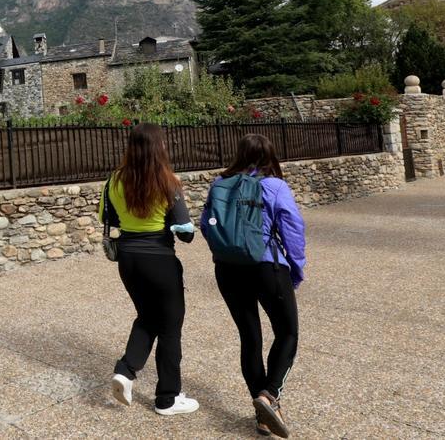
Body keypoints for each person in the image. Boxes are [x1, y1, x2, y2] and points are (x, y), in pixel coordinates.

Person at [201, 134, 305, 438]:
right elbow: (293, 229)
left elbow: (207, 224)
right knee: (287, 332)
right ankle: (269, 395)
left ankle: (263, 415)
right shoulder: (274, 186)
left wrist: (227, 251)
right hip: (266, 266)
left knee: (250, 336)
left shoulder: (220, 183)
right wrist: (296, 269)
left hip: (228, 269)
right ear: (270, 156)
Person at [99, 123, 199, 416]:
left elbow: (108, 218)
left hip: (128, 260)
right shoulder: (168, 181)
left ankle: (126, 370)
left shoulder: (114, 180)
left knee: (147, 317)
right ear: (159, 147)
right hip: (160, 261)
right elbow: (186, 233)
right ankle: (168, 398)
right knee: (170, 326)